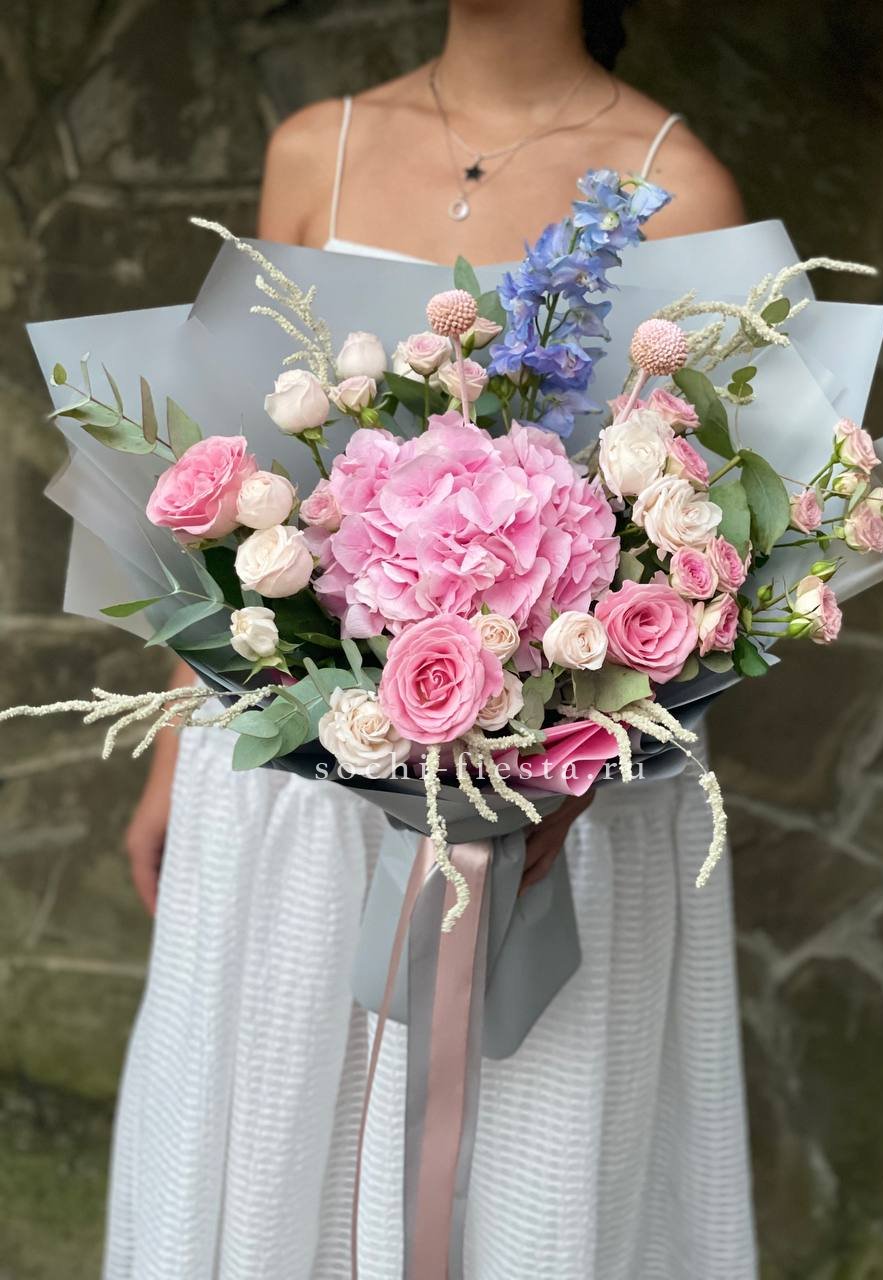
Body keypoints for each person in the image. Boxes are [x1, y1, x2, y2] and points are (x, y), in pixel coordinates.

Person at [111, 2, 755, 1277]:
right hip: (296, 782)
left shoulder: (682, 188)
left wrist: (564, 778)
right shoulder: (317, 147)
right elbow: (238, 481)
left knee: (533, 1173)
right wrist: (173, 751)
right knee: (270, 1140)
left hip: (550, 813)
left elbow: (715, 559)